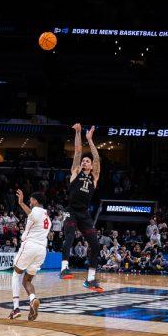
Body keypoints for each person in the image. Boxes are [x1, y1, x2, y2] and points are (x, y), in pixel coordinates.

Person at [58, 124, 104, 291]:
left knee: (95, 245)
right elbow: (77, 152)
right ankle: (64, 268)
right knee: (69, 237)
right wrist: (78, 133)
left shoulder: (94, 177)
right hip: (70, 211)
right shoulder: (76, 172)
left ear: (91, 166)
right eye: (84, 160)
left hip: (84, 214)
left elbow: (97, 159)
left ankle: (90, 279)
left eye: (87, 161)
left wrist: (90, 140)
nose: (85, 161)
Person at [11, 189, 50, 320]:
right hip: (41, 250)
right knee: (27, 280)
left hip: (30, 246)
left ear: (36, 201)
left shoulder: (36, 211)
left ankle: (16, 308)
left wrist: (21, 203)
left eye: (31, 199)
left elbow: (31, 214)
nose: (30, 201)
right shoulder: (47, 217)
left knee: (16, 274)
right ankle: (33, 299)